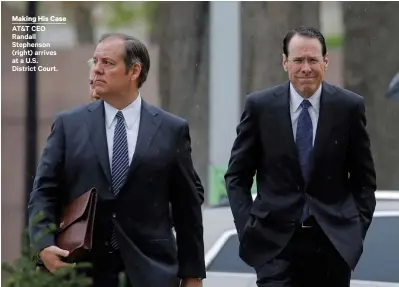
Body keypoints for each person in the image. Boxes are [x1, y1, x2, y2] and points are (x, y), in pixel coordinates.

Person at [28, 33, 206, 287]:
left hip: (152, 272)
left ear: (134, 71)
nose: (97, 70)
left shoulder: (171, 129)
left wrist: (192, 275)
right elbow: (44, 193)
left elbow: (187, 207)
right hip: (81, 271)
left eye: (108, 63)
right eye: (94, 62)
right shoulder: (69, 125)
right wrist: (42, 245)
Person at [225, 26, 377, 287]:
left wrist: (355, 229)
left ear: (325, 62)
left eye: (313, 60)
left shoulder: (348, 107)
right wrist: (248, 228)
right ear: (285, 63)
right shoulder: (261, 107)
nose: (306, 68)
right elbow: (237, 176)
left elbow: (364, 179)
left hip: (332, 245)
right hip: (274, 246)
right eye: (298, 60)